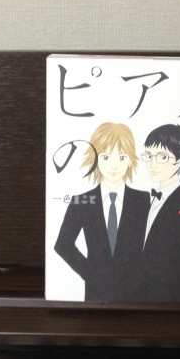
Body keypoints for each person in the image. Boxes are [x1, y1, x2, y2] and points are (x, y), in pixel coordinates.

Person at [54, 122, 150, 301]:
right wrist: (90, 273)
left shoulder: (144, 201)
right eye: (105, 157)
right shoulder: (81, 202)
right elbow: (62, 244)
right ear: (95, 159)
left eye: (121, 157)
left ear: (131, 159)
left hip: (136, 294)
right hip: (97, 294)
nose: (114, 166)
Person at [138, 123, 180, 301]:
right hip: (139, 296)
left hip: (166, 298)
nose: (152, 164)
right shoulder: (145, 200)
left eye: (162, 157)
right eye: (149, 156)